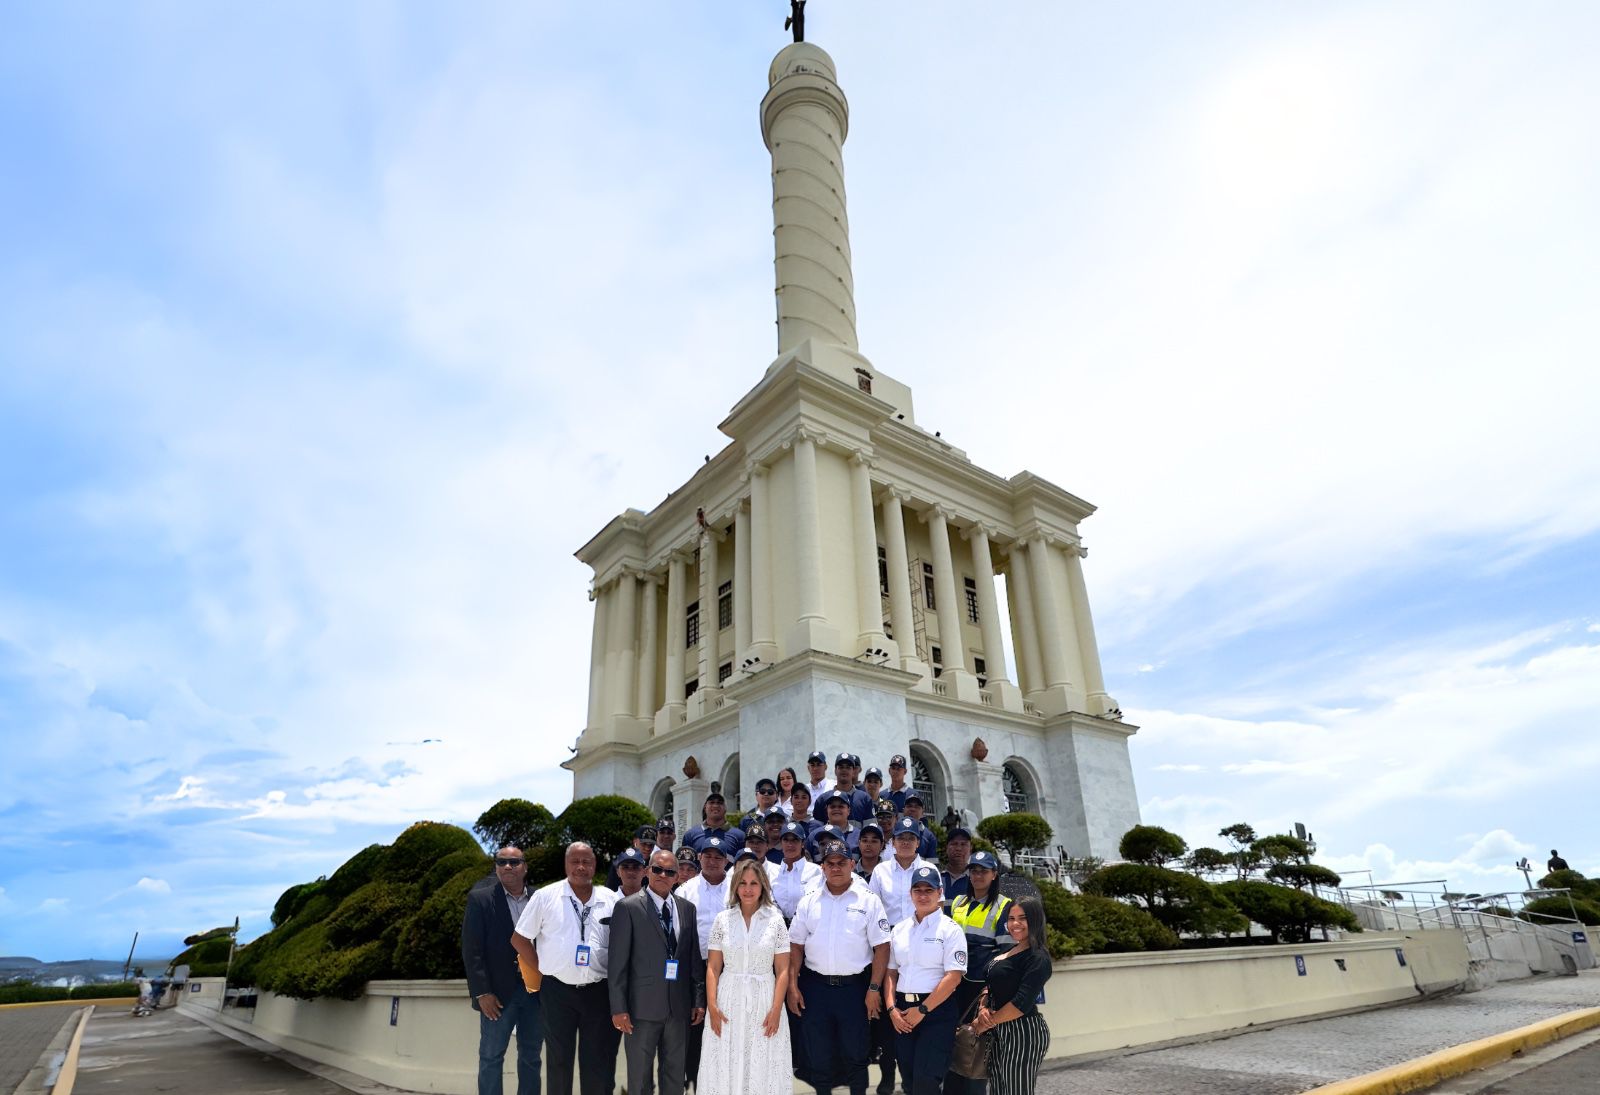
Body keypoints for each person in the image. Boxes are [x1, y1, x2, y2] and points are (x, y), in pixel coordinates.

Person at [511, 843, 621, 1095]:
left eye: (587, 861)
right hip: (557, 992)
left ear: (595, 865)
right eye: (575, 861)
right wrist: (541, 971)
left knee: (596, 1062)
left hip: (598, 993)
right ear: (566, 864)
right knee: (558, 1060)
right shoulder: (545, 896)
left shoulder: (610, 899)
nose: (581, 867)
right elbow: (519, 939)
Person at [788, 839, 891, 1095]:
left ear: (852, 864)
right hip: (815, 988)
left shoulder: (869, 900)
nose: (836, 868)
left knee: (856, 1055)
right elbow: (796, 946)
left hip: (854, 990)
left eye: (841, 863)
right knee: (818, 1057)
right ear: (822, 867)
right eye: (830, 863)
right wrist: (792, 986)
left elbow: (882, 947)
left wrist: (874, 989)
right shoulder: (809, 901)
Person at [610, 848, 707, 1095]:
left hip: (678, 1009)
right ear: (646, 872)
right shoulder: (627, 907)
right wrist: (619, 1008)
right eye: (657, 869)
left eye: (670, 871)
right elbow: (617, 964)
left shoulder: (687, 909)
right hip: (641, 1010)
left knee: (674, 1075)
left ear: (677, 877)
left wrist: (698, 999)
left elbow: (693, 959)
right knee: (640, 1078)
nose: (663, 875)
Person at [698, 859, 794, 1095]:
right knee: (725, 1058)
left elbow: (782, 970)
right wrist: (712, 1005)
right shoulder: (723, 920)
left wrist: (775, 1010)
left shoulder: (775, 920)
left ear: (763, 886)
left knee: (763, 1059)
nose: (748, 889)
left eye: (754, 883)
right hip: (728, 1000)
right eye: (742, 883)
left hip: (765, 1000)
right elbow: (713, 967)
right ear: (735, 887)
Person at [462, 845, 541, 1095]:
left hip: (535, 993)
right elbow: (471, 950)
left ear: (525, 867)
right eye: (502, 862)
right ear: (496, 867)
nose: (508, 866)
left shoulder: (541, 899)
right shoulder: (481, 899)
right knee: (491, 1057)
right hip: (496, 995)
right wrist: (482, 992)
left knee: (531, 1057)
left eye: (514, 862)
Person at [884, 867, 966, 1095]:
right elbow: (891, 973)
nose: (922, 895)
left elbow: (954, 977)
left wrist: (922, 1009)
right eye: (917, 889)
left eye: (928, 889)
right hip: (901, 1013)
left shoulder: (950, 930)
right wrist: (891, 1009)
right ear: (910, 893)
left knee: (926, 1083)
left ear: (939, 892)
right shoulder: (899, 930)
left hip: (935, 1014)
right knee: (909, 1082)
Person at [970, 899, 1052, 1095]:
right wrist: (982, 1008)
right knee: (998, 1090)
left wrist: (984, 1024)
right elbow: (990, 986)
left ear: (1035, 920)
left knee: (1016, 1090)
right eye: (1011, 918)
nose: (1015, 924)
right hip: (997, 1029)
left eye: (1023, 919)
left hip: (1022, 1032)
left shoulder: (1038, 958)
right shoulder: (1010, 950)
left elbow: (1020, 1004)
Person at [946, 851, 1011, 1092]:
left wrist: (990, 993)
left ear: (994, 875)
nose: (978, 875)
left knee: (976, 1053)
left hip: (981, 989)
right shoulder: (957, 903)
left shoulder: (1003, 906)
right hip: (955, 986)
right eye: (974, 870)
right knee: (954, 1047)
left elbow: (1005, 956)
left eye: (984, 870)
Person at [677, 839, 733, 1089]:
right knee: (695, 1024)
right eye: (707, 856)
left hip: (729, 966)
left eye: (718, 857)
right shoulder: (685, 890)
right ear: (699, 858)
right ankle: (694, 1079)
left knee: (726, 1022)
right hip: (694, 967)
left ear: (726, 860)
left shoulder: (737, 888)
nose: (712, 861)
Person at [870, 818, 934, 927]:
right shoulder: (880, 871)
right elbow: (871, 908)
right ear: (893, 842)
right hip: (889, 935)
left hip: (922, 932)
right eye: (900, 838)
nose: (905, 842)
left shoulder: (930, 869)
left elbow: (938, 906)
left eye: (911, 838)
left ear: (918, 842)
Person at [771, 822, 823, 921]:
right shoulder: (772, 872)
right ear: (781, 843)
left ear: (802, 843)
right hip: (777, 927)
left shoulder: (815, 871)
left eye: (795, 840)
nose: (790, 844)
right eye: (786, 840)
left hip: (807, 927)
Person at [814, 754, 873, 823]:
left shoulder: (865, 799)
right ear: (835, 770)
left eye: (848, 767)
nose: (844, 770)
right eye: (841, 767)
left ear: (853, 771)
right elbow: (816, 829)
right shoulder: (822, 799)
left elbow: (870, 829)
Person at [900, 794, 940, 860]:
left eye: (917, 807)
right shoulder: (895, 832)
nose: (912, 809)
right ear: (903, 810)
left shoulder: (929, 837)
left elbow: (932, 864)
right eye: (909, 806)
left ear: (922, 813)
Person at [942, 828, 973, 902]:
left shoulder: (976, 878)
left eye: (963, 844)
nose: (958, 848)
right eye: (954, 844)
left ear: (970, 849)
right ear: (946, 848)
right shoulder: (936, 876)